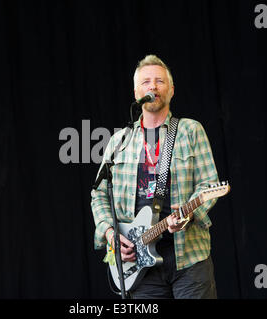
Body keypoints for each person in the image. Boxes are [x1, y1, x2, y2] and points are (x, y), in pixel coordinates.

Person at [91, 55, 219, 299]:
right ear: (137, 92)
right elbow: (98, 194)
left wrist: (188, 214)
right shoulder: (119, 142)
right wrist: (110, 233)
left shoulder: (190, 131)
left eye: (160, 81)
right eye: (146, 82)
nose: (153, 86)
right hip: (139, 266)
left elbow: (208, 184)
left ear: (171, 90)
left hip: (188, 258)